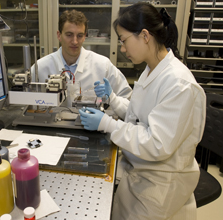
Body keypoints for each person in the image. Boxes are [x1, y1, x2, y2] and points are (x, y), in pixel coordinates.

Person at [79, 3, 206, 220]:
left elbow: (157, 143)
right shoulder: (153, 69)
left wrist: (108, 124)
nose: (122, 48)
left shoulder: (179, 84)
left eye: (124, 40)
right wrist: (113, 99)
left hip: (161, 183)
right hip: (141, 171)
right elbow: (142, 116)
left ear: (144, 35)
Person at [30, 9, 132, 99]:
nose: (75, 41)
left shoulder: (103, 65)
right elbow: (26, 103)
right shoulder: (40, 68)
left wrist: (111, 105)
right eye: (69, 35)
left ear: (85, 36)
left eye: (79, 35)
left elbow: (127, 99)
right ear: (59, 35)